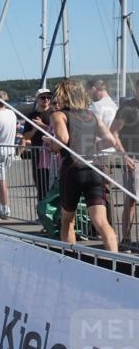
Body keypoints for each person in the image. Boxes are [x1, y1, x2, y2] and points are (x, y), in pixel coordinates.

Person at [48, 80, 132, 251]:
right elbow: (110, 140)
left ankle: (70, 258)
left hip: (72, 169)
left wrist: (50, 143)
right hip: (95, 169)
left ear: (64, 95)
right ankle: (114, 259)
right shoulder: (91, 115)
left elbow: (62, 140)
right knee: (101, 222)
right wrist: (92, 148)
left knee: (67, 219)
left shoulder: (59, 115)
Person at [110, 76, 139, 247]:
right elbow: (113, 132)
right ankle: (126, 239)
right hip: (133, 159)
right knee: (131, 200)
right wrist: (124, 155)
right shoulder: (127, 109)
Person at [21, 88, 56, 205]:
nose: (46, 100)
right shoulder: (31, 115)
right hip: (38, 153)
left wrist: (42, 126)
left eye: (48, 97)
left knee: (54, 182)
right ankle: (42, 210)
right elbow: (26, 136)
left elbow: (57, 132)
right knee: (40, 182)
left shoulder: (55, 113)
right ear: (37, 99)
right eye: (43, 97)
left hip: (53, 152)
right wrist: (35, 129)